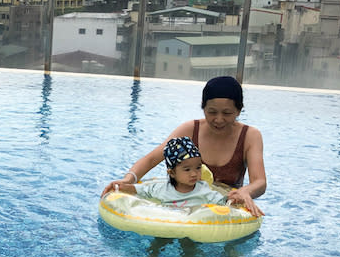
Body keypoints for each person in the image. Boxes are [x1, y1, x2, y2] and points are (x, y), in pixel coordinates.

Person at [102, 75, 266, 217]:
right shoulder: (190, 129)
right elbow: (152, 158)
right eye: (212, 112)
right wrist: (128, 179)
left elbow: (259, 182)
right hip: (184, 202)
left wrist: (245, 191)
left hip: (223, 207)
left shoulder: (250, 136)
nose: (219, 119)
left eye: (227, 113)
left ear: (239, 110)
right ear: (203, 108)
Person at [113, 136, 227, 207]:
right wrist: (122, 186)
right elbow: (142, 190)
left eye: (198, 168)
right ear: (172, 173)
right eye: (187, 169)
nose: (194, 173)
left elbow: (222, 201)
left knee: (188, 244)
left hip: (191, 226)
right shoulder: (162, 189)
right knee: (158, 241)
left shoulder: (203, 189)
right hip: (166, 224)